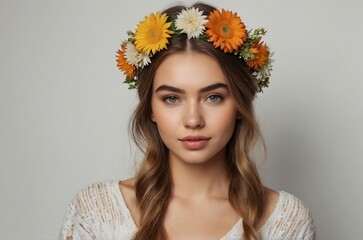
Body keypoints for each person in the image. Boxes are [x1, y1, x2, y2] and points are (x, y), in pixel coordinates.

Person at [60, 3, 316, 240]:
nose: (193, 120)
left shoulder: (286, 220)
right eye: (172, 98)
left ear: (239, 105)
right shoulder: (96, 213)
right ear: (150, 108)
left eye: (213, 97)